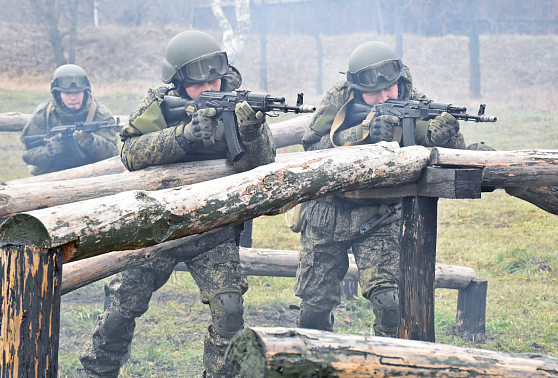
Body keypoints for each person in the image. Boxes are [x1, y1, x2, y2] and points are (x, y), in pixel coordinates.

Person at [79, 30, 275, 378]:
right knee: (122, 309)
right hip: (157, 227)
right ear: (179, 82)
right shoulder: (159, 103)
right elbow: (129, 152)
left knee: (229, 310)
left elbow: (262, 165)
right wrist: (181, 137)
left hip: (213, 229)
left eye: (216, 79)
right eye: (200, 84)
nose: (211, 89)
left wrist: (250, 133)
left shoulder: (240, 104)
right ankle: (96, 371)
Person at [294, 41, 466, 337]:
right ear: (356, 89)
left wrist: (444, 138)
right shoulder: (339, 98)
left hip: (381, 216)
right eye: (374, 93)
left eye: (390, 89)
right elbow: (313, 145)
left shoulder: (417, 101)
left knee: (390, 306)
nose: (384, 97)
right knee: (314, 308)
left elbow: (456, 152)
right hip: (327, 213)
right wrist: (362, 134)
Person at [20, 64, 118, 175]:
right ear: (57, 94)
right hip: (50, 175)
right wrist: (47, 151)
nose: (73, 97)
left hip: (92, 174)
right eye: (67, 93)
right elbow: (27, 155)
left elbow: (114, 155)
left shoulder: (100, 114)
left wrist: (93, 143)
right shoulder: (44, 114)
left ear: (85, 92)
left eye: (77, 92)